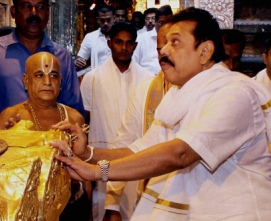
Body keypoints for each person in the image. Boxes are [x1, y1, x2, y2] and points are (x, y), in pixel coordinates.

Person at [52, 7, 271, 220]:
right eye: (164, 44)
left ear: (205, 51)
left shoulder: (235, 93)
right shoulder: (180, 95)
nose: (164, 51)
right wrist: (88, 153)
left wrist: (96, 172)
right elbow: (137, 149)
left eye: (175, 42)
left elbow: (180, 154)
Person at [0, 52, 91, 221]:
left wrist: (89, 210)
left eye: (53, 76)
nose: (47, 82)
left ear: (60, 81)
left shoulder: (73, 118)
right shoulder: (11, 116)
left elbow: (85, 169)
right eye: (39, 75)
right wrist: (13, 141)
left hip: (71, 207)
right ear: (26, 81)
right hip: (27, 211)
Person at [0, 0, 84, 126]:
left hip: (52, 143)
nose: (34, 12)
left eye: (40, 7)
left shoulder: (62, 56)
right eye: (26, 6)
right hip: (2, 142)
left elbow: (74, 111)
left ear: (48, 13)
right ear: (13, 12)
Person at [80, 22, 154, 221]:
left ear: (135, 46)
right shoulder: (91, 79)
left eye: (129, 43)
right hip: (103, 161)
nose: (124, 48)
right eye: (119, 42)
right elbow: (86, 120)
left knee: (137, 213)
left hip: (137, 160)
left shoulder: (149, 80)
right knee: (104, 214)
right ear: (109, 43)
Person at [103, 22, 174, 221]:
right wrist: (111, 202)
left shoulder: (209, 94)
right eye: (160, 50)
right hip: (149, 201)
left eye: (173, 46)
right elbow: (125, 147)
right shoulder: (145, 92)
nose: (165, 55)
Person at [133, 5, 173, 75]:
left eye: (169, 23)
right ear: (156, 21)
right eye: (162, 22)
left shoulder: (174, 39)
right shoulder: (141, 38)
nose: (166, 26)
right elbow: (134, 63)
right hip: (147, 80)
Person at [75, 5, 115, 71]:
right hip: (98, 78)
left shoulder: (121, 36)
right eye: (102, 20)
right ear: (97, 20)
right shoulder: (90, 37)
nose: (105, 23)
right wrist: (78, 62)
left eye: (108, 20)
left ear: (114, 18)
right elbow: (81, 58)